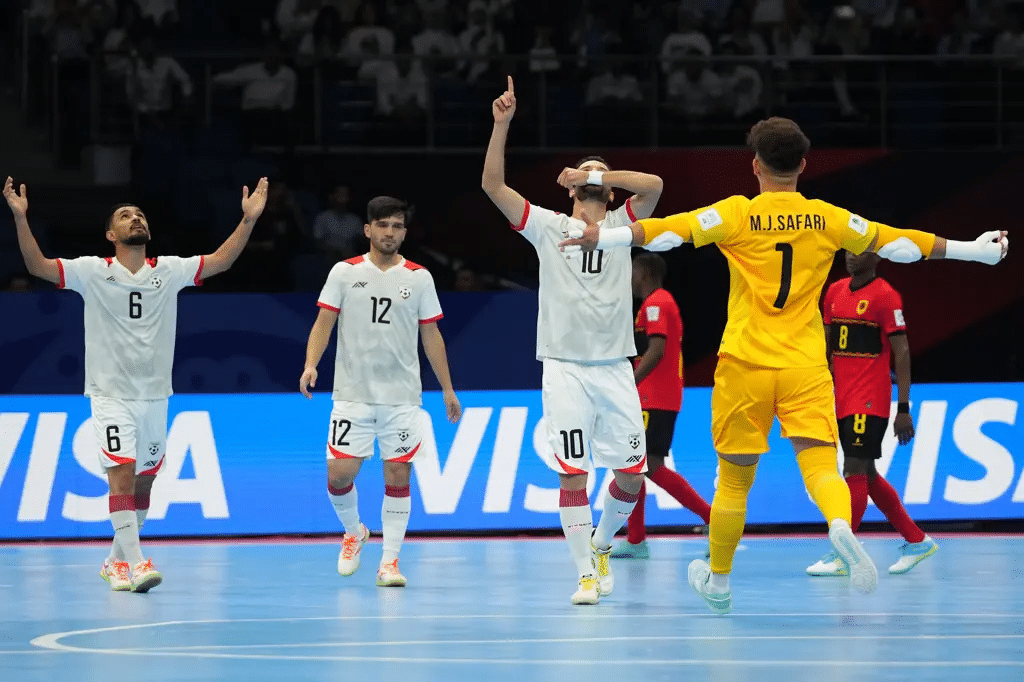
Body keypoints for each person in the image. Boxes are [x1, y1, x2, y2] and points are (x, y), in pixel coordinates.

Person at [559, 116, 1008, 614]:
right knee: (820, 465)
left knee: (732, 481)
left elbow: (667, 234)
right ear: (803, 165)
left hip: (745, 365)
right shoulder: (828, 218)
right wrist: (973, 251)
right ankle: (839, 524)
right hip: (805, 366)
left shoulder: (735, 214)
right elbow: (896, 243)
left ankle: (720, 581)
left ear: (755, 165)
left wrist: (602, 236)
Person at [3, 175, 269, 593]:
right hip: (110, 395)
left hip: (155, 396)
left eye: (140, 215)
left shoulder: (170, 269)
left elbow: (222, 260)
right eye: (126, 216)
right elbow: (37, 266)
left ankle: (114, 561)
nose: (136, 219)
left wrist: (248, 220)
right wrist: (20, 217)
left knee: (145, 481)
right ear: (112, 234)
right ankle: (139, 561)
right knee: (122, 475)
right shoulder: (92, 271)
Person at [482, 76, 665, 605]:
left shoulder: (625, 224)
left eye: (599, 180)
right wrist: (501, 125)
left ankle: (603, 545)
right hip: (563, 367)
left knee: (632, 476)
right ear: (567, 191)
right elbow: (493, 185)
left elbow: (652, 185)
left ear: (608, 191)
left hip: (614, 368)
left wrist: (597, 170)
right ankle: (585, 572)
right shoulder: (545, 224)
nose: (591, 185)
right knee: (573, 475)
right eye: (583, 179)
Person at [299, 196, 462, 588]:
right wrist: (310, 363)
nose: (390, 232)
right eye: (383, 225)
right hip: (352, 394)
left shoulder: (419, 277)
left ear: (405, 233)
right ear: (368, 229)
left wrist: (447, 388)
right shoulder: (343, 272)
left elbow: (431, 333)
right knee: (339, 475)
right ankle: (354, 530)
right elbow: (324, 322)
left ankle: (389, 562)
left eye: (397, 226)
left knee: (397, 474)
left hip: (402, 397)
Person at [806, 250, 937, 577]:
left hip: (870, 399)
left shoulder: (886, 296)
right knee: (869, 475)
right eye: (848, 249)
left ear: (877, 256)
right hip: (841, 398)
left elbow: (902, 352)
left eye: (859, 250)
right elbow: (826, 346)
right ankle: (916, 539)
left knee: (853, 470)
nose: (851, 256)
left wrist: (903, 408)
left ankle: (843, 555)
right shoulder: (834, 292)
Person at [610, 252, 711, 559]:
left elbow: (656, 351)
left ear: (646, 273)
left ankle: (714, 519)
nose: (628, 277)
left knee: (650, 465)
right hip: (648, 397)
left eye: (632, 271)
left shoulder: (657, 303)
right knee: (635, 466)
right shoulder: (650, 306)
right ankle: (636, 540)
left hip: (657, 398)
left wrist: (631, 381)